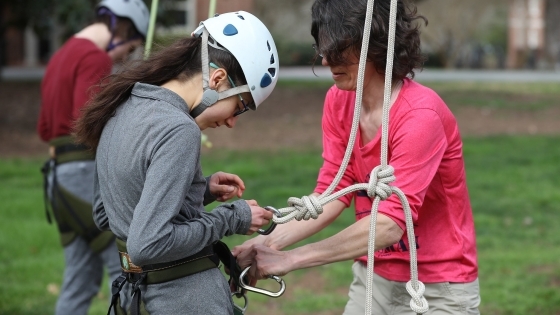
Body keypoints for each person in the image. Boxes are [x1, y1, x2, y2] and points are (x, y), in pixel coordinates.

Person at [233, 0, 480, 314]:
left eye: (337, 51)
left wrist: (293, 259)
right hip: (372, 278)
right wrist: (269, 243)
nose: (325, 61)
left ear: (375, 46)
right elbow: (332, 192)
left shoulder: (421, 116)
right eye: (323, 49)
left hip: (437, 286)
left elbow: (390, 224)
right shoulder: (339, 100)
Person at [73, 10, 279, 315]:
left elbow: (109, 214)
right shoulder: (178, 128)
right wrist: (232, 218)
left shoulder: (121, 107)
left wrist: (198, 188)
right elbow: (148, 243)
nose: (233, 122)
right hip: (187, 299)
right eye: (241, 106)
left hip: (133, 298)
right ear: (218, 79)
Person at [36, 0, 149, 314]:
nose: (123, 58)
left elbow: (45, 128)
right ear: (122, 28)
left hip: (58, 182)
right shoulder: (94, 57)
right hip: (85, 178)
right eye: (129, 50)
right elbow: (87, 122)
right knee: (126, 271)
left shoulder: (60, 56)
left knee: (81, 279)